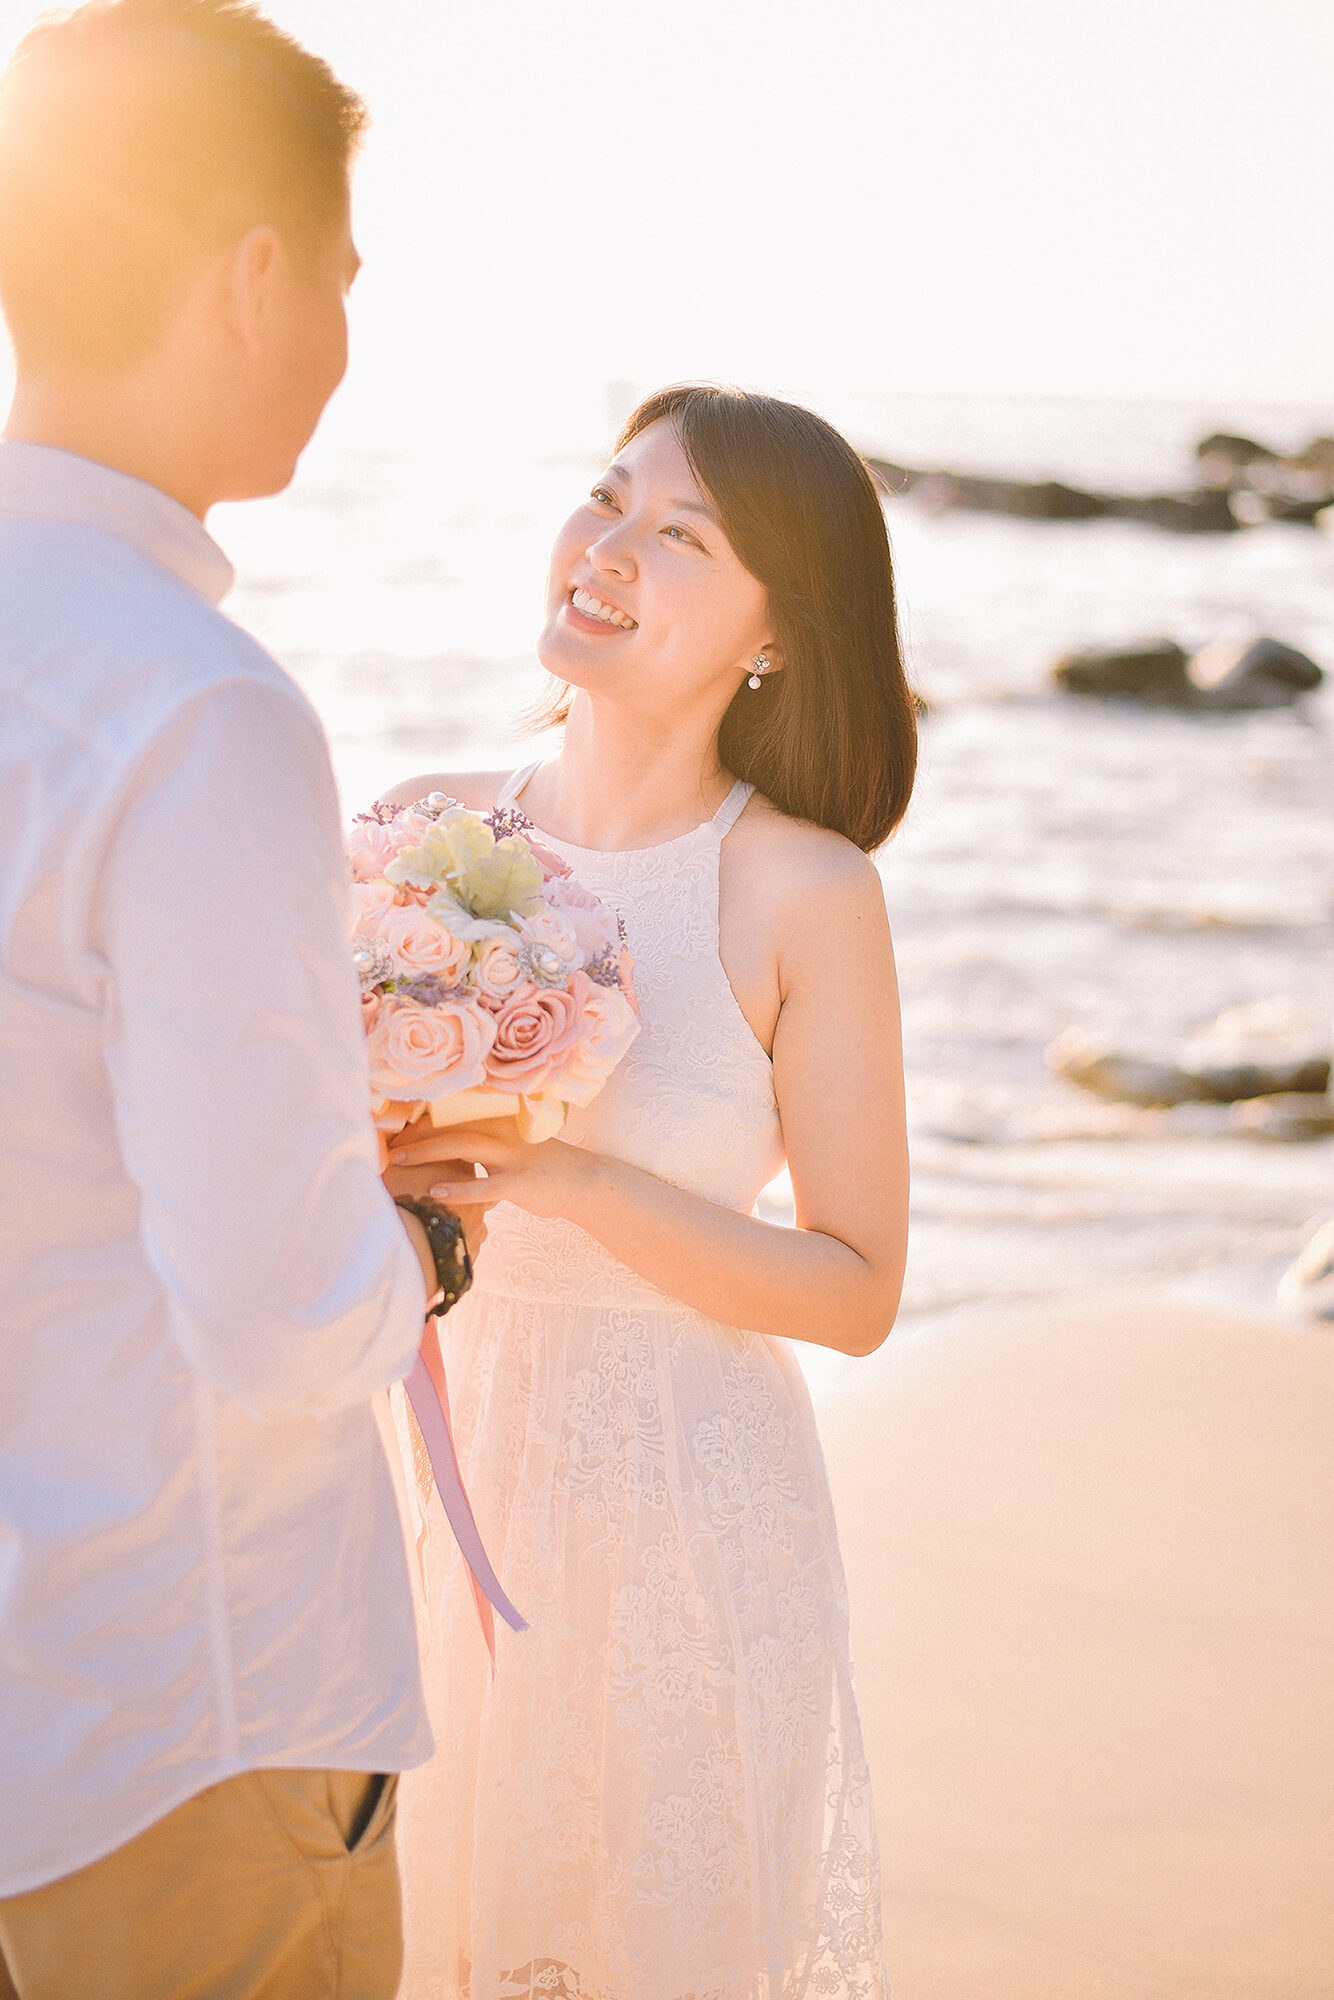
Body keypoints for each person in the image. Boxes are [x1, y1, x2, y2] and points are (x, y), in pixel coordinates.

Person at [0, 6, 468, 1994]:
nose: (347, 342)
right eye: (345, 281)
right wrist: (429, 1234)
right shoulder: (197, 711)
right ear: (257, 278)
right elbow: (283, 1323)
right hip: (180, 1710)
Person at [383, 384, 917, 1999]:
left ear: (771, 634)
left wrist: (567, 1183)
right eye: (606, 499)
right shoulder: (418, 838)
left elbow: (855, 1287)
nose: (605, 550)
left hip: (682, 1517)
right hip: (420, 1479)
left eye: (678, 535)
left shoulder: (802, 891)